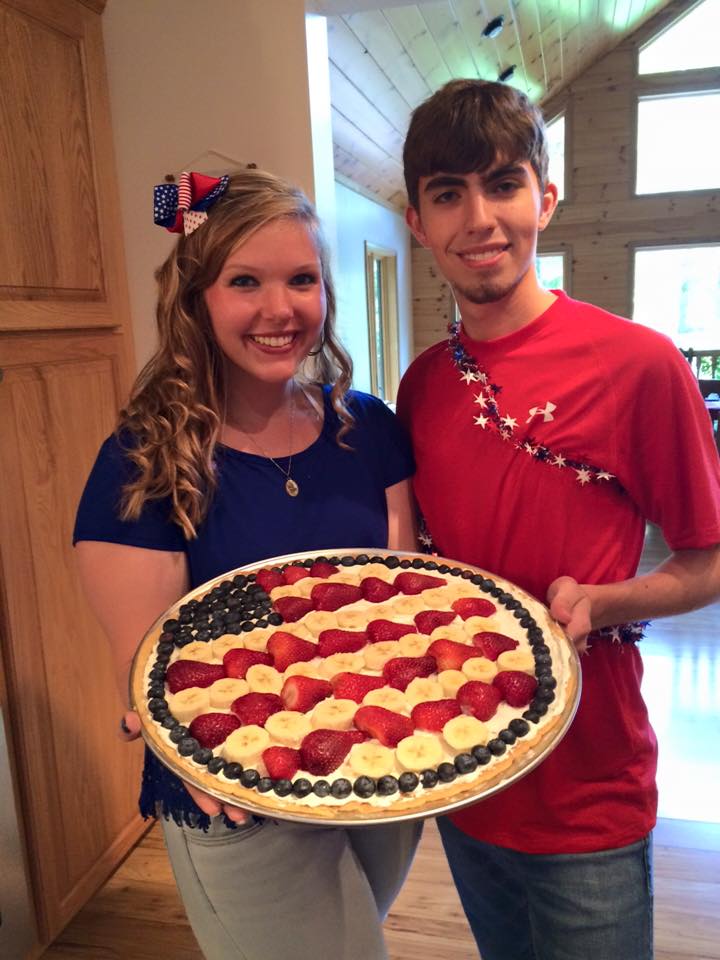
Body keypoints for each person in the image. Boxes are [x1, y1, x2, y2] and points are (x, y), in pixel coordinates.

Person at [396, 79, 720, 960]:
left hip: (592, 784)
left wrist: (606, 602)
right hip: (464, 768)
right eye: (447, 194)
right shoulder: (422, 387)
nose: (480, 219)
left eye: (502, 184)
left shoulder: (643, 365)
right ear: (418, 221)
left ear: (545, 195)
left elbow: (711, 560)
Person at [73, 168, 421, 960]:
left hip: (380, 758)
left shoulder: (368, 428)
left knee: (359, 937)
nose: (280, 309)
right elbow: (154, 671)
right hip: (237, 795)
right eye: (245, 282)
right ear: (196, 298)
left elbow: (405, 600)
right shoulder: (145, 460)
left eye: (301, 279)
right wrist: (170, 728)